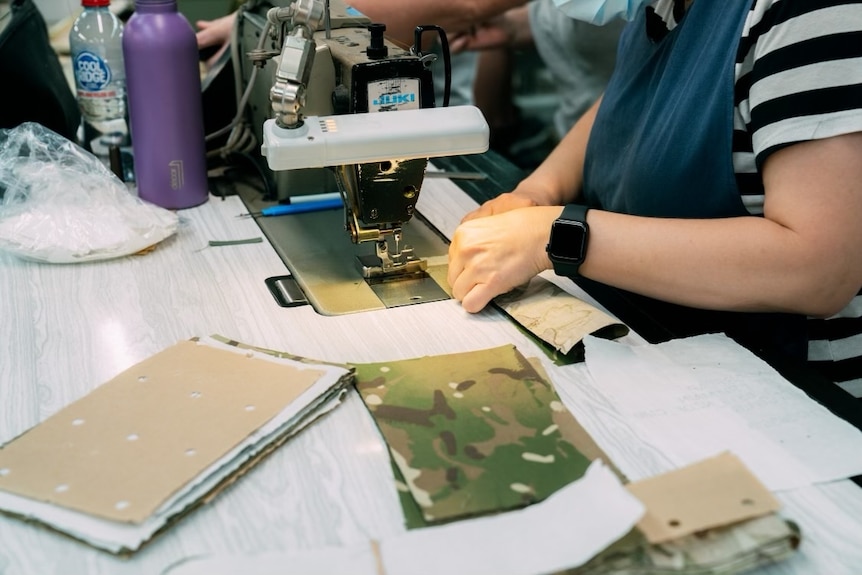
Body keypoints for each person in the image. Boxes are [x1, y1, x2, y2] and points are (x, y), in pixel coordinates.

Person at [447, 0, 862, 392]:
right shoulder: (667, 7)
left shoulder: (809, 12)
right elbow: (633, 96)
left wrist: (555, 236)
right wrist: (538, 191)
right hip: (664, 350)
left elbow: (819, 269)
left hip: (791, 393)